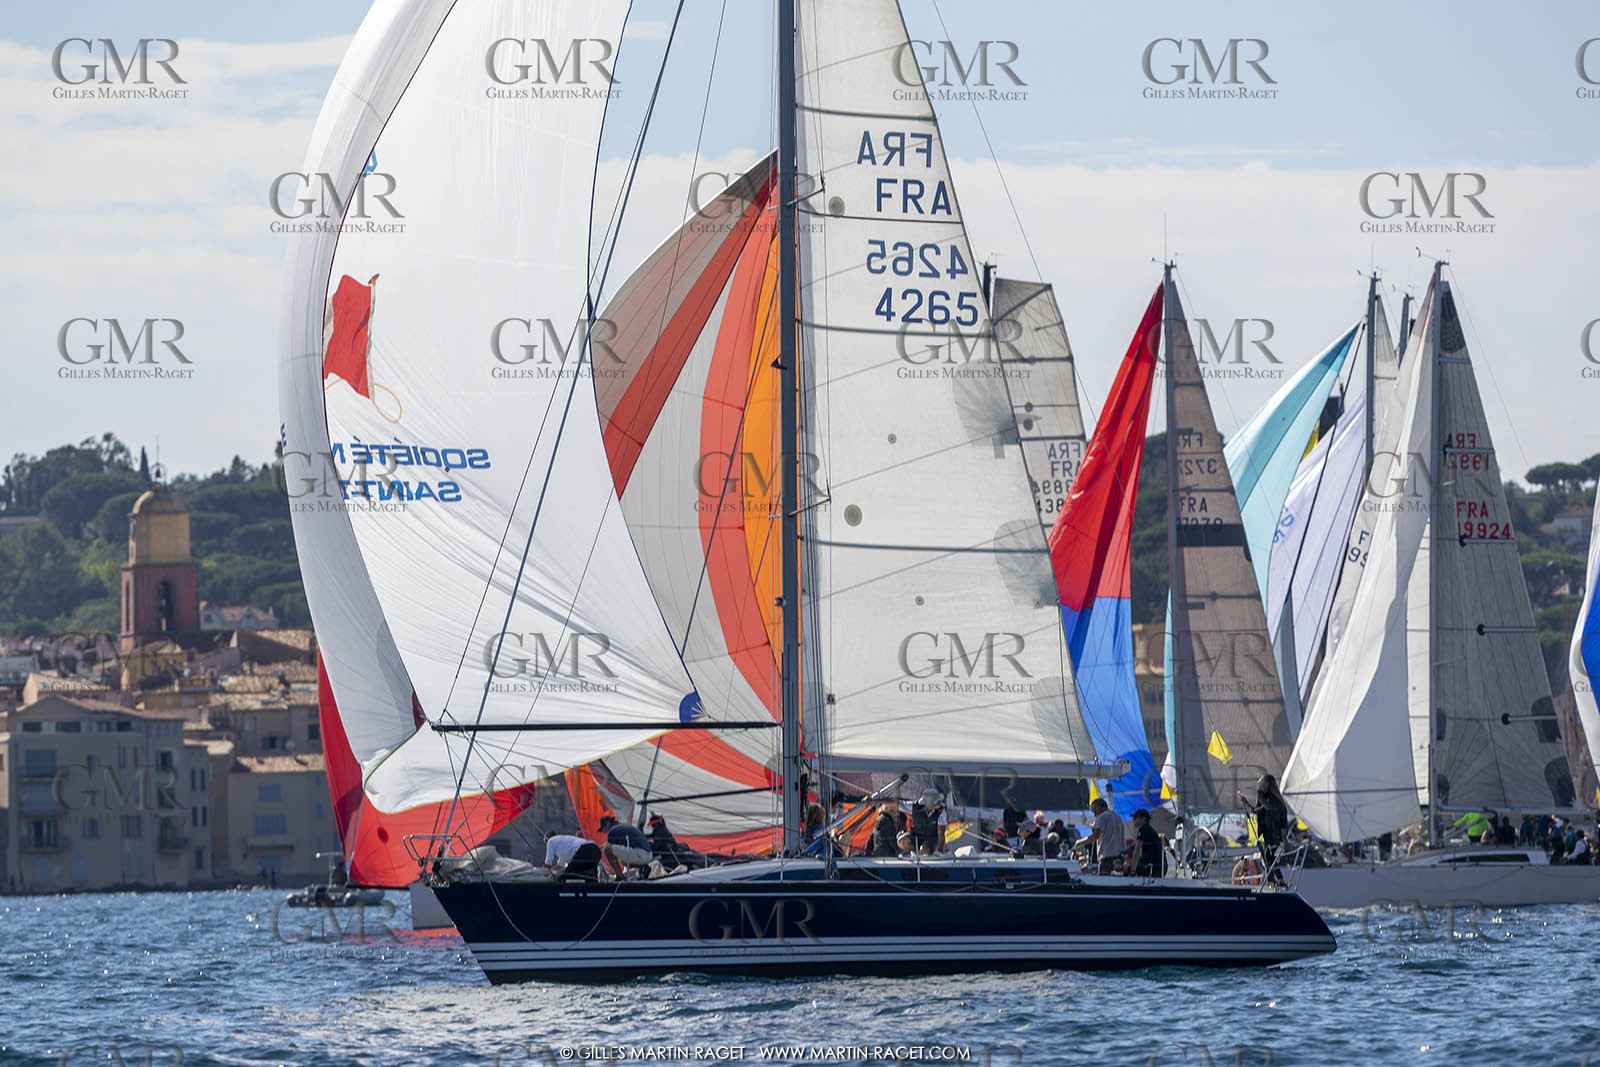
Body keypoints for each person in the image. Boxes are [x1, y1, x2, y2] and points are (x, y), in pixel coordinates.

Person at [1239, 773, 1289, 886]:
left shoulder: (1272, 800)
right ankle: (1279, 881)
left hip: (1272, 834)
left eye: (1261, 782)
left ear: (1267, 784)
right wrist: (1246, 803)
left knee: (1268, 858)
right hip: (1271, 834)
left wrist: (1246, 803)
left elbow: (1260, 811)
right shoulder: (1272, 799)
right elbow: (1259, 811)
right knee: (1269, 858)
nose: (1259, 784)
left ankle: (1273, 882)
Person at [597, 814, 653, 878]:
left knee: (607, 849)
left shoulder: (612, 831)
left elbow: (608, 846)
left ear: (607, 824)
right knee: (622, 861)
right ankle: (643, 867)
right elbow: (607, 843)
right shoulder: (621, 826)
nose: (603, 832)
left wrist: (596, 851)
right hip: (648, 855)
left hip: (640, 854)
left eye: (602, 829)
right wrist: (598, 848)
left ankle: (619, 876)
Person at [1083, 798, 1125, 875]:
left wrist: (1081, 842)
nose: (1094, 815)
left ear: (1100, 807)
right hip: (1120, 858)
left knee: (1104, 880)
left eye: (1094, 811)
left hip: (1107, 857)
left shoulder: (1102, 817)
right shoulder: (1118, 817)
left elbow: (1095, 836)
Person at [1128, 808, 1163, 878]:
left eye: (1135, 817)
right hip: (1158, 867)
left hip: (1153, 867)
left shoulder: (1144, 829)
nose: (1133, 820)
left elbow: (1137, 848)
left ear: (1143, 819)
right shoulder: (1149, 830)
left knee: (1126, 869)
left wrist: (1133, 869)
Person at [911, 790, 945, 855]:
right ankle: (915, 852)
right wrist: (886, 800)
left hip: (931, 839)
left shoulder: (941, 811)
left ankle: (924, 853)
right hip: (916, 837)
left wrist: (940, 851)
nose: (938, 804)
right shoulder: (914, 807)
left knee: (924, 849)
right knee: (902, 841)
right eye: (936, 801)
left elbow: (941, 832)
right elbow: (898, 804)